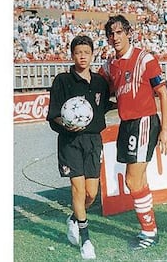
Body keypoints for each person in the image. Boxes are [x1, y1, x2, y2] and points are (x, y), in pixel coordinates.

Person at [98, 15, 167, 250]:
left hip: (144, 122)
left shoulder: (144, 58)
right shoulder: (110, 65)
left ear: (128, 33)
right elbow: (96, 86)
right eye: (111, 34)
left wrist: (166, 130)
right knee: (139, 180)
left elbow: (163, 94)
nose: (115, 37)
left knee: (132, 180)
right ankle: (150, 230)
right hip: (126, 125)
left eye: (119, 32)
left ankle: (149, 232)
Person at [46, 35, 111, 259]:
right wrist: (65, 124)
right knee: (78, 189)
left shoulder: (101, 82)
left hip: (93, 141)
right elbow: (53, 114)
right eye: (78, 52)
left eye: (86, 52)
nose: (82, 56)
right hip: (70, 142)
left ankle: (74, 218)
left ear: (92, 55)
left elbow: (105, 107)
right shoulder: (63, 80)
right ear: (72, 55)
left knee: (92, 193)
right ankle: (86, 240)